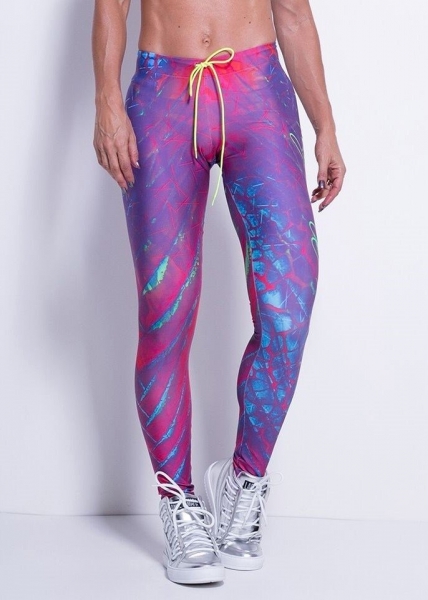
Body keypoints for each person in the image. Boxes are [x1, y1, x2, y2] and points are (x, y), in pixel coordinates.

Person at [91, 0, 346, 585]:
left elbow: (293, 13)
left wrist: (326, 125)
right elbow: (111, 6)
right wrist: (107, 101)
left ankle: (244, 481)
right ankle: (178, 502)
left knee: (288, 310)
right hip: (163, 95)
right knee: (165, 311)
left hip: (258, 93)